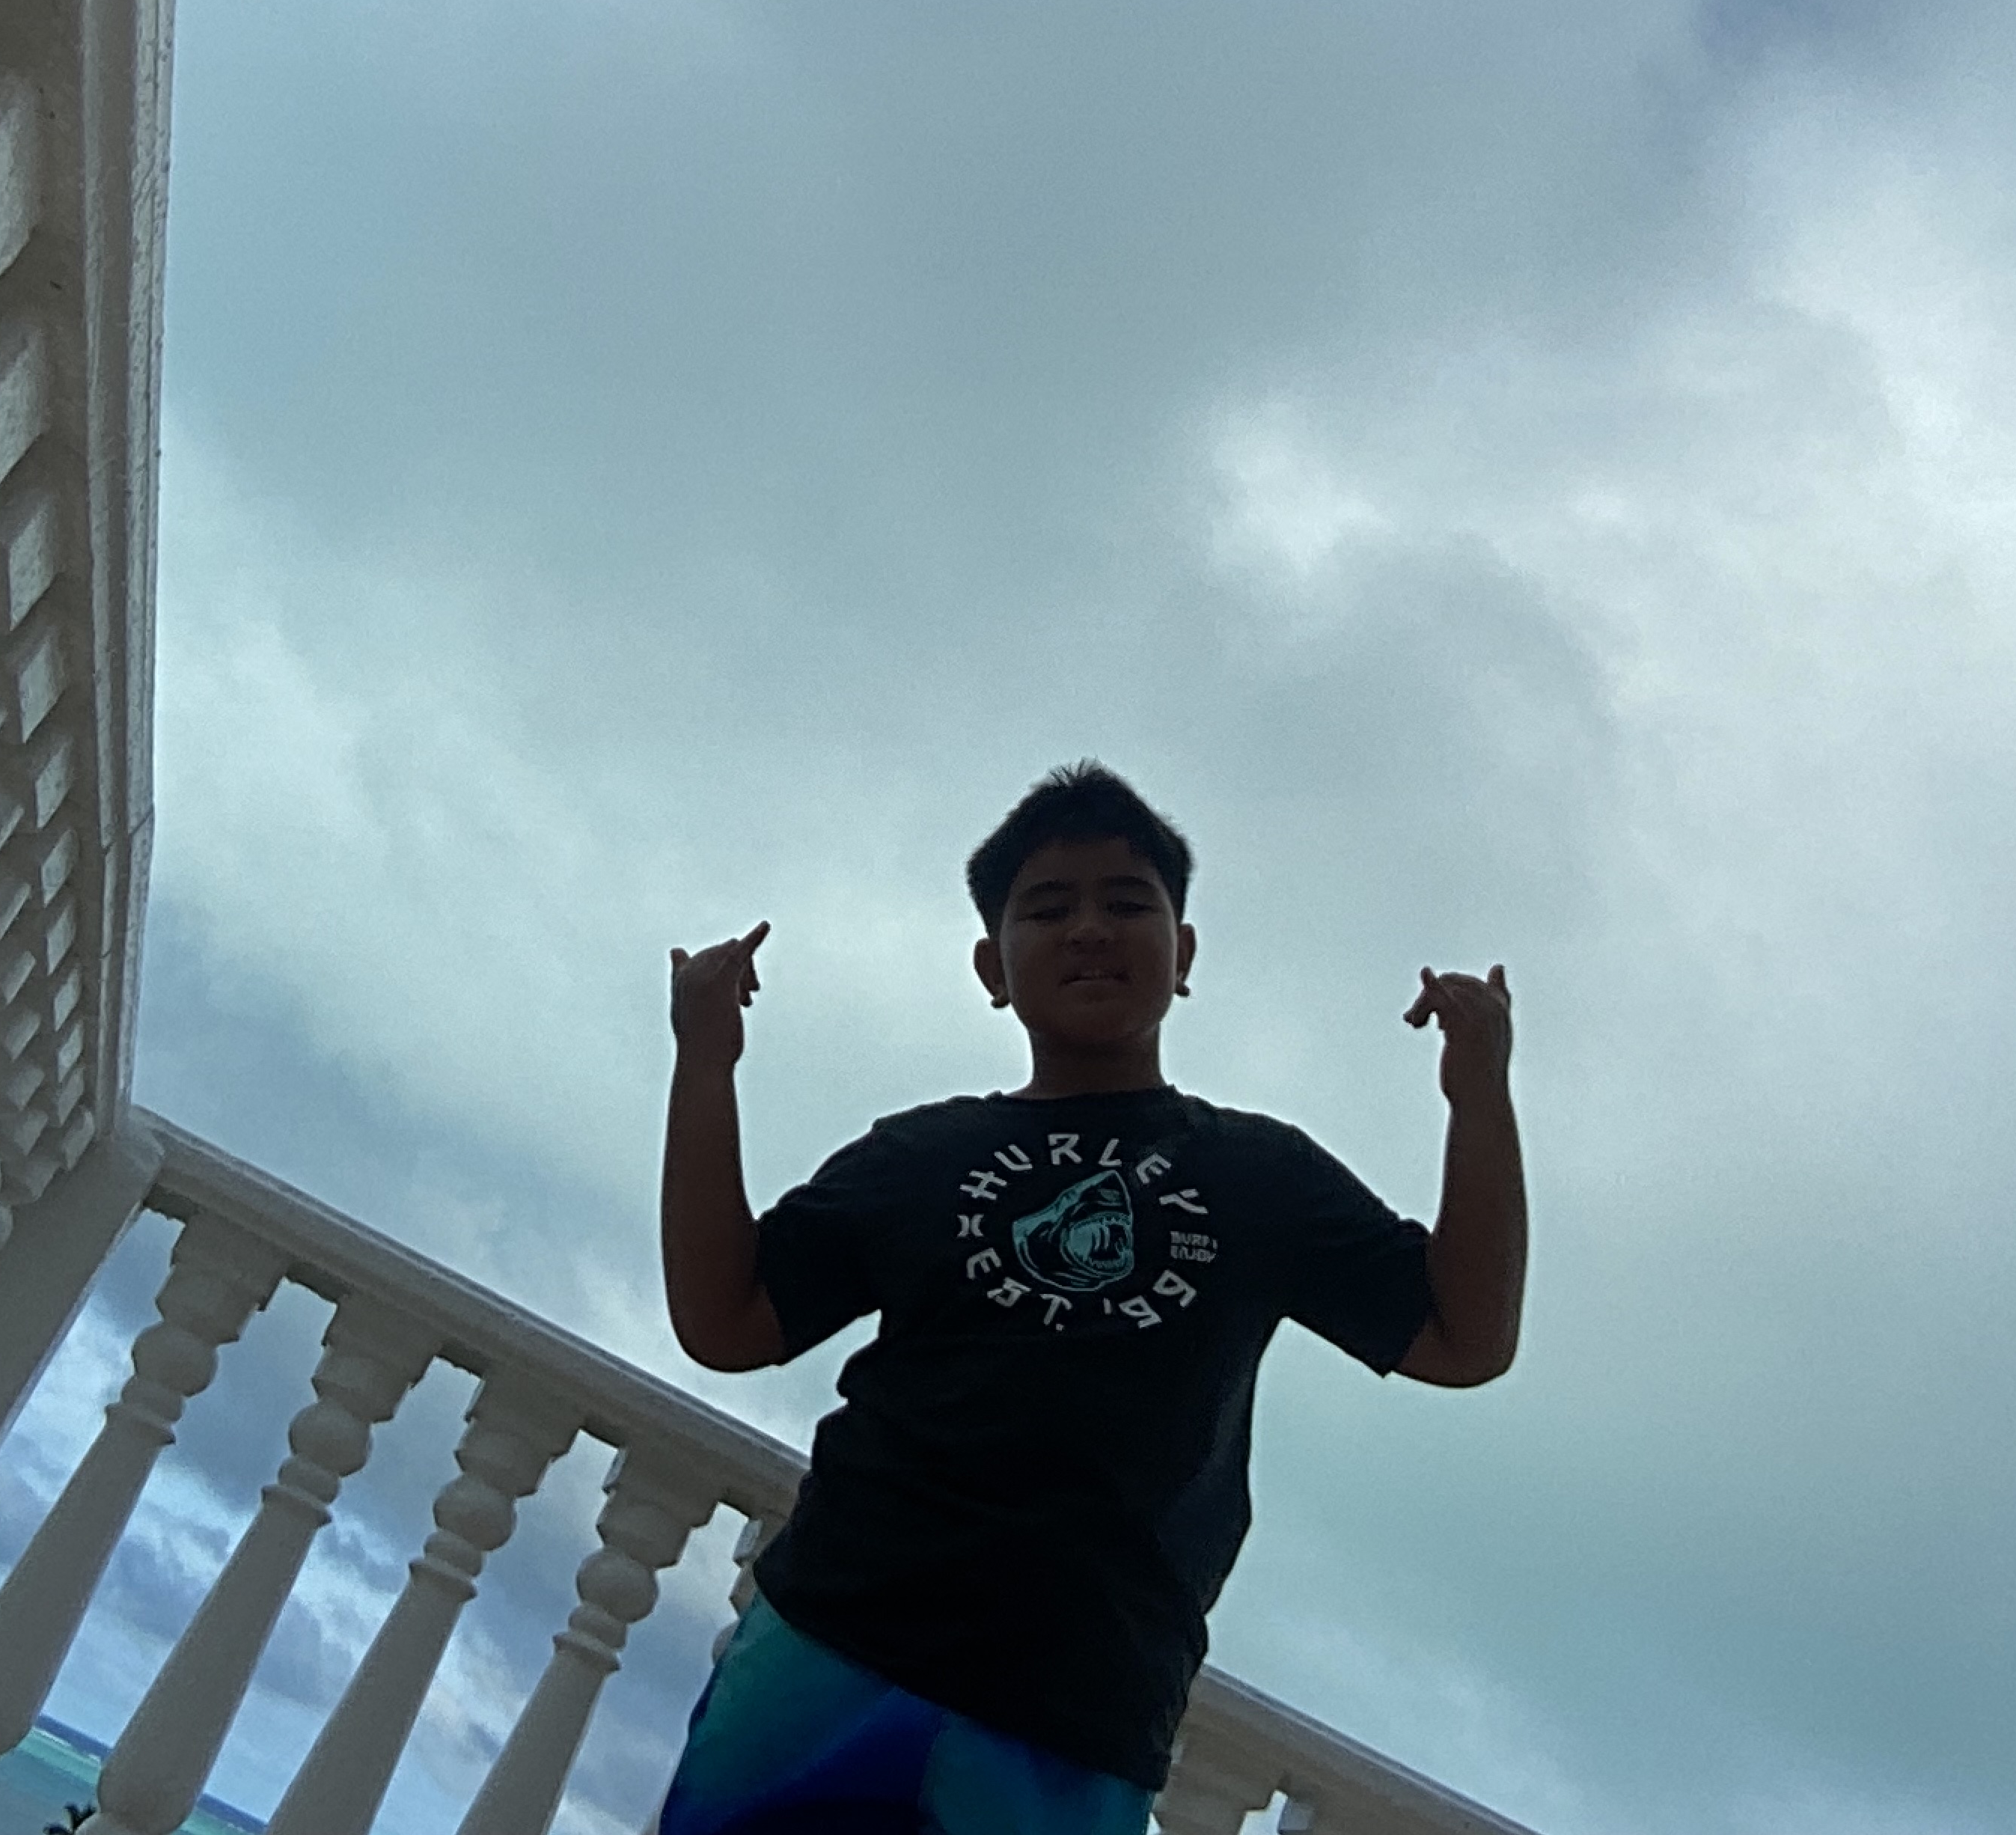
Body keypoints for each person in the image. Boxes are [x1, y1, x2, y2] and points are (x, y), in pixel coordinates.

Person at [654, 762, 1526, 1835]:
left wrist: (1480, 1090)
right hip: (828, 1647)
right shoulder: (918, 1154)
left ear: (1184, 954)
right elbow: (728, 1320)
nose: (1089, 930)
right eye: (1047, 908)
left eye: (1127, 902)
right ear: (992, 966)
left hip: (1078, 1713)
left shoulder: (1262, 1174)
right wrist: (705, 1060)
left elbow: (1462, 1337)